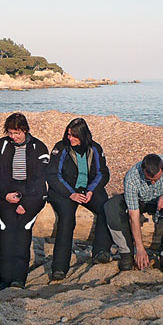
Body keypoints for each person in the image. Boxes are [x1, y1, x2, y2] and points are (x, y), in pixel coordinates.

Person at [46, 117, 113, 280]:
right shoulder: (60, 148)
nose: (70, 138)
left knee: (106, 207)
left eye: (74, 135)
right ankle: (59, 267)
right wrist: (71, 194)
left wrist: (90, 191)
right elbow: (53, 175)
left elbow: (103, 173)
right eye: (68, 134)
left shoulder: (95, 148)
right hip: (64, 190)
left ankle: (100, 251)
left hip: (87, 189)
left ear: (83, 136)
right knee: (67, 219)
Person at [0, 112, 49, 288]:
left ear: (25, 130)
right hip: (7, 192)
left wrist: (26, 204)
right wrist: (4, 194)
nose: (13, 137)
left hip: (31, 194)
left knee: (22, 234)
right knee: (6, 235)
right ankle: (5, 280)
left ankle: (19, 279)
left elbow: (41, 180)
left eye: (17, 133)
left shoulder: (39, 147)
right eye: (10, 133)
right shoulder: (2, 144)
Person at [104, 154, 163, 275]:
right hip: (142, 201)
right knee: (111, 207)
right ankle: (126, 253)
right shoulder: (132, 176)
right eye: (149, 180)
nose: (153, 183)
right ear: (143, 170)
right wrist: (140, 248)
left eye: (156, 180)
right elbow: (134, 216)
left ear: (162, 168)